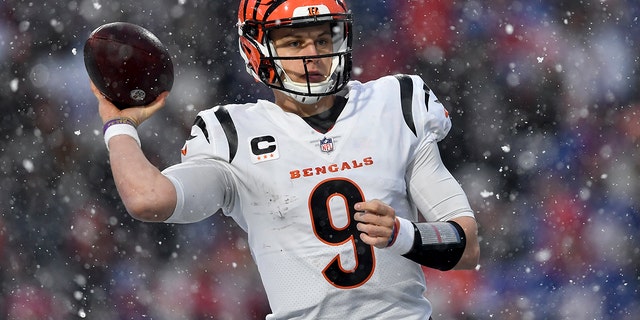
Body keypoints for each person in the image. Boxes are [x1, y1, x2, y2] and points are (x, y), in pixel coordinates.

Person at [90, 0, 480, 318]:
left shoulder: (394, 103)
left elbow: (466, 245)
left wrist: (402, 234)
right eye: (294, 43)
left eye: (322, 38)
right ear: (256, 50)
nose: (313, 55)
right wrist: (119, 125)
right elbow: (148, 199)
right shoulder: (230, 133)